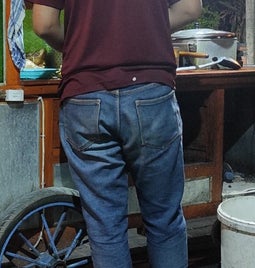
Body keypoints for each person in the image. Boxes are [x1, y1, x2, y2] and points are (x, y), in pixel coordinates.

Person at [27, 0, 202, 267]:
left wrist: (80, 42)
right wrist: (145, 30)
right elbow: (190, 8)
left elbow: (43, 23)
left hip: (86, 94)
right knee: (164, 220)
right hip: (150, 92)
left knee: (106, 228)